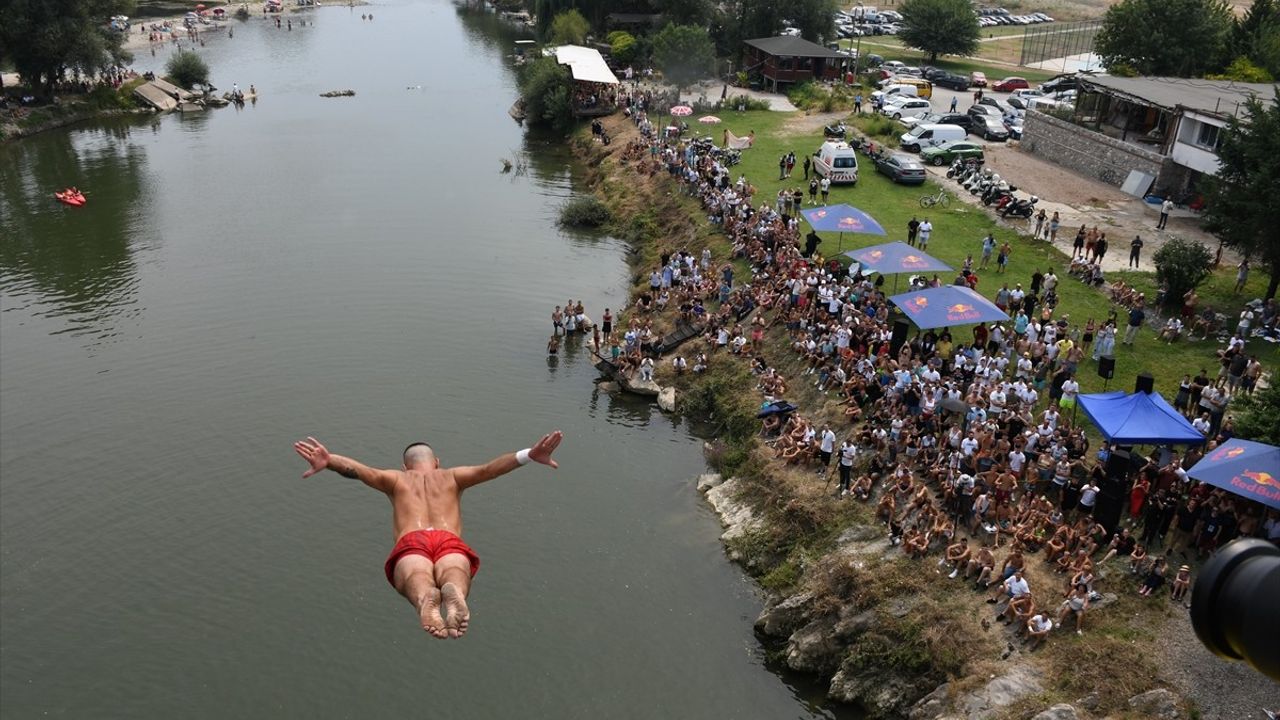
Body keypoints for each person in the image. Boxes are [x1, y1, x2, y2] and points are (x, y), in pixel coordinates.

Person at [291, 432, 563, 638]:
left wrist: (330, 461)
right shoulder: (452, 476)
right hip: (447, 539)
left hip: (413, 541)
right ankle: (454, 591)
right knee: (456, 569)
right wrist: (529, 454)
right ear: (437, 462)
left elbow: (361, 472)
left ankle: (424, 600)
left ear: (405, 465)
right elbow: (489, 469)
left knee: (413, 578)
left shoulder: (396, 479)